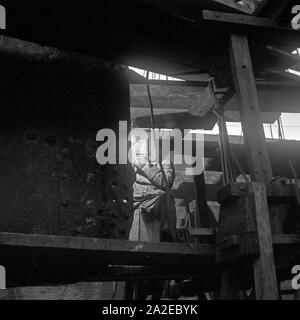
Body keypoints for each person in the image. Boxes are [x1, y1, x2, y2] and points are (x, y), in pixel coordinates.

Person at [129, 137, 177, 242]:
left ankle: (167, 234)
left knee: (167, 199)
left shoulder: (165, 162)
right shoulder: (130, 164)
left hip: (155, 199)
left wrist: (146, 166)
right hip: (135, 200)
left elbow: (166, 183)